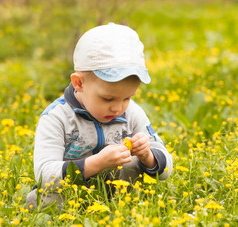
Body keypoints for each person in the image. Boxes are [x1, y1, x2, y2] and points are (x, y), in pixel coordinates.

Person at [26, 22, 173, 209]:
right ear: (79, 83)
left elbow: (167, 168)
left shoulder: (132, 112)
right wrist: (98, 162)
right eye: (108, 98)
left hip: (119, 197)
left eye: (127, 97)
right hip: (72, 194)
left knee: (134, 166)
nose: (118, 108)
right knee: (41, 201)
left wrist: (148, 156)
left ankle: (124, 209)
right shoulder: (56, 118)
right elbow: (44, 173)